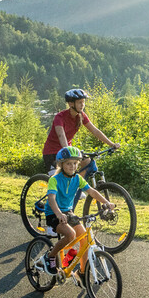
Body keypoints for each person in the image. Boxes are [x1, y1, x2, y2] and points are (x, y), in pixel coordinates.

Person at [42, 146, 115, 274]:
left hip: (68, 212)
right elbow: (52, 199)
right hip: (53, 213)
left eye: (75, 163)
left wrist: (107, 202)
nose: (72, 166)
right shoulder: (54, 179)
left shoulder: (77, 178)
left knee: (85, 239)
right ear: (61, 164)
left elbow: (92, 191)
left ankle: (81, 273)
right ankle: (50, 256)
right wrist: (59, 214)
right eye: (69, 163)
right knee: (70, 234)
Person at [42, 88, 118, 177]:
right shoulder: (60, 117)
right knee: (57, 181)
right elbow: (61, 136)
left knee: (87, 161)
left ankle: (77, 186)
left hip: (68, 150)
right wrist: (69, 151)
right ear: (71, 103)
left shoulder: (81, 116)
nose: (82, 105)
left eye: (83, 102)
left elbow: (95, 131)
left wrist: (111, 144)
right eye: (79, 102)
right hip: (52, 153)